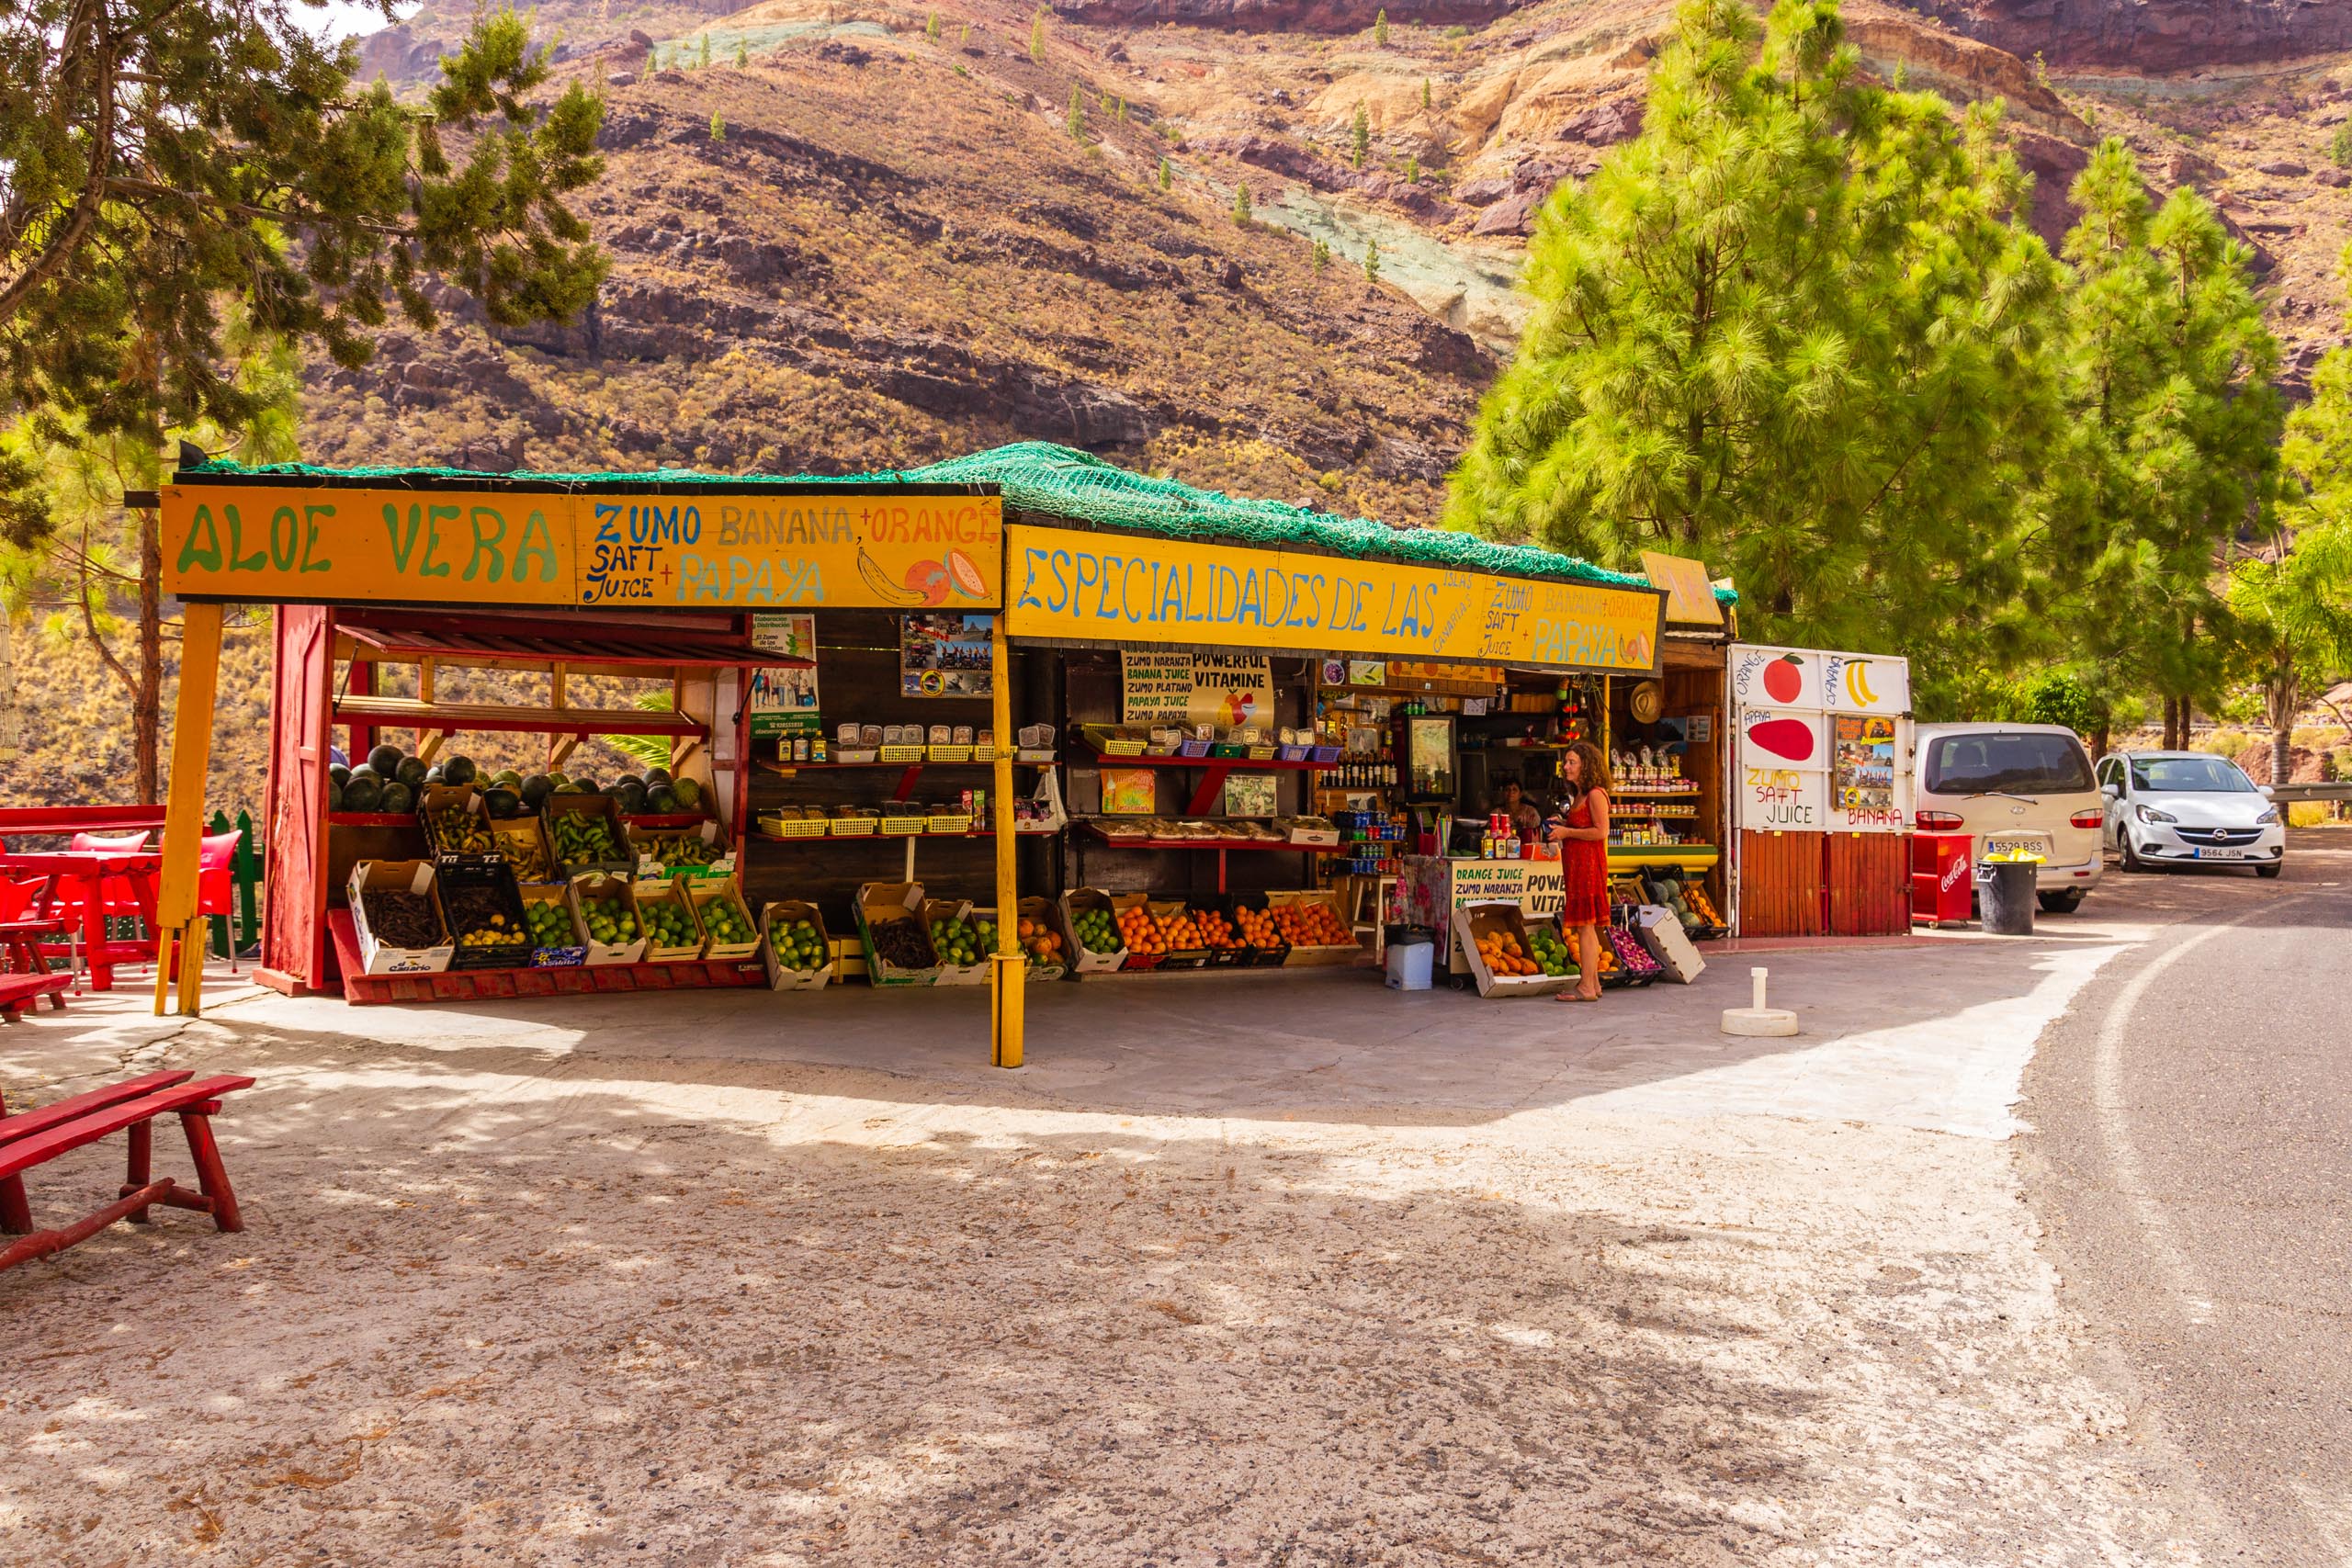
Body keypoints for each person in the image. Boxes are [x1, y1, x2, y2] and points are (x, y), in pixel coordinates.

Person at [1546, 739, 1611, 1003]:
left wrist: (1567, 831)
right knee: (1587, 928)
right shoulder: (1580, 796)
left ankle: (1585, 986)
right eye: (1566, 762)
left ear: (1587, 766)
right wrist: (1562, 823)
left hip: (1588, 868)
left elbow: (1601, 831)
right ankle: (1593, 984)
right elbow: (1585, 826)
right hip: (1577, 866)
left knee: (1585, 927)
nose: (1567, 766)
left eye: (1573, 762)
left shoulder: (1595, 794)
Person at [1493, 778, 1544, 847]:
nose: (1511, 792)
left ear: (1520, 794)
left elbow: (1536, 830)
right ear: (1503, 793)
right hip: (1502, 848)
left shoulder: (1530, 811)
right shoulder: (1497, 813)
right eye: (1507, 789)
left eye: (1514, 789)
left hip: (1526, 848)